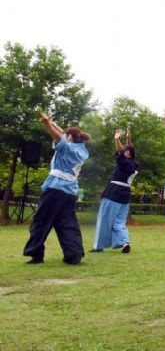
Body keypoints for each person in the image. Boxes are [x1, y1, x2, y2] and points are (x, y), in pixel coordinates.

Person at [23, 112, 91, 265]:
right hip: (69, 193)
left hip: (55, 189)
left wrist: (47, 124)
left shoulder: (66, 147)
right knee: (67, 223)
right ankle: (74, 254)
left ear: (70, 138)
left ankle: (36, 254)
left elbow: (59, 136)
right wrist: (53, 123)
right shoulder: (81, 150)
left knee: (41, 221)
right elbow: (63, 134)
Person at [91, 129, 138, 253]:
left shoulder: (123, 162)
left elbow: (121, 151)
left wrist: (117, 139)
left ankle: (99, 246)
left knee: (104, 220)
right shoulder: (133, 164)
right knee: (119, 222)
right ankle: (124, 242)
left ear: (127, 152)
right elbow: (127, 150)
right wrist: (128, 139)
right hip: (125, 196)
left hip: (113, 193)